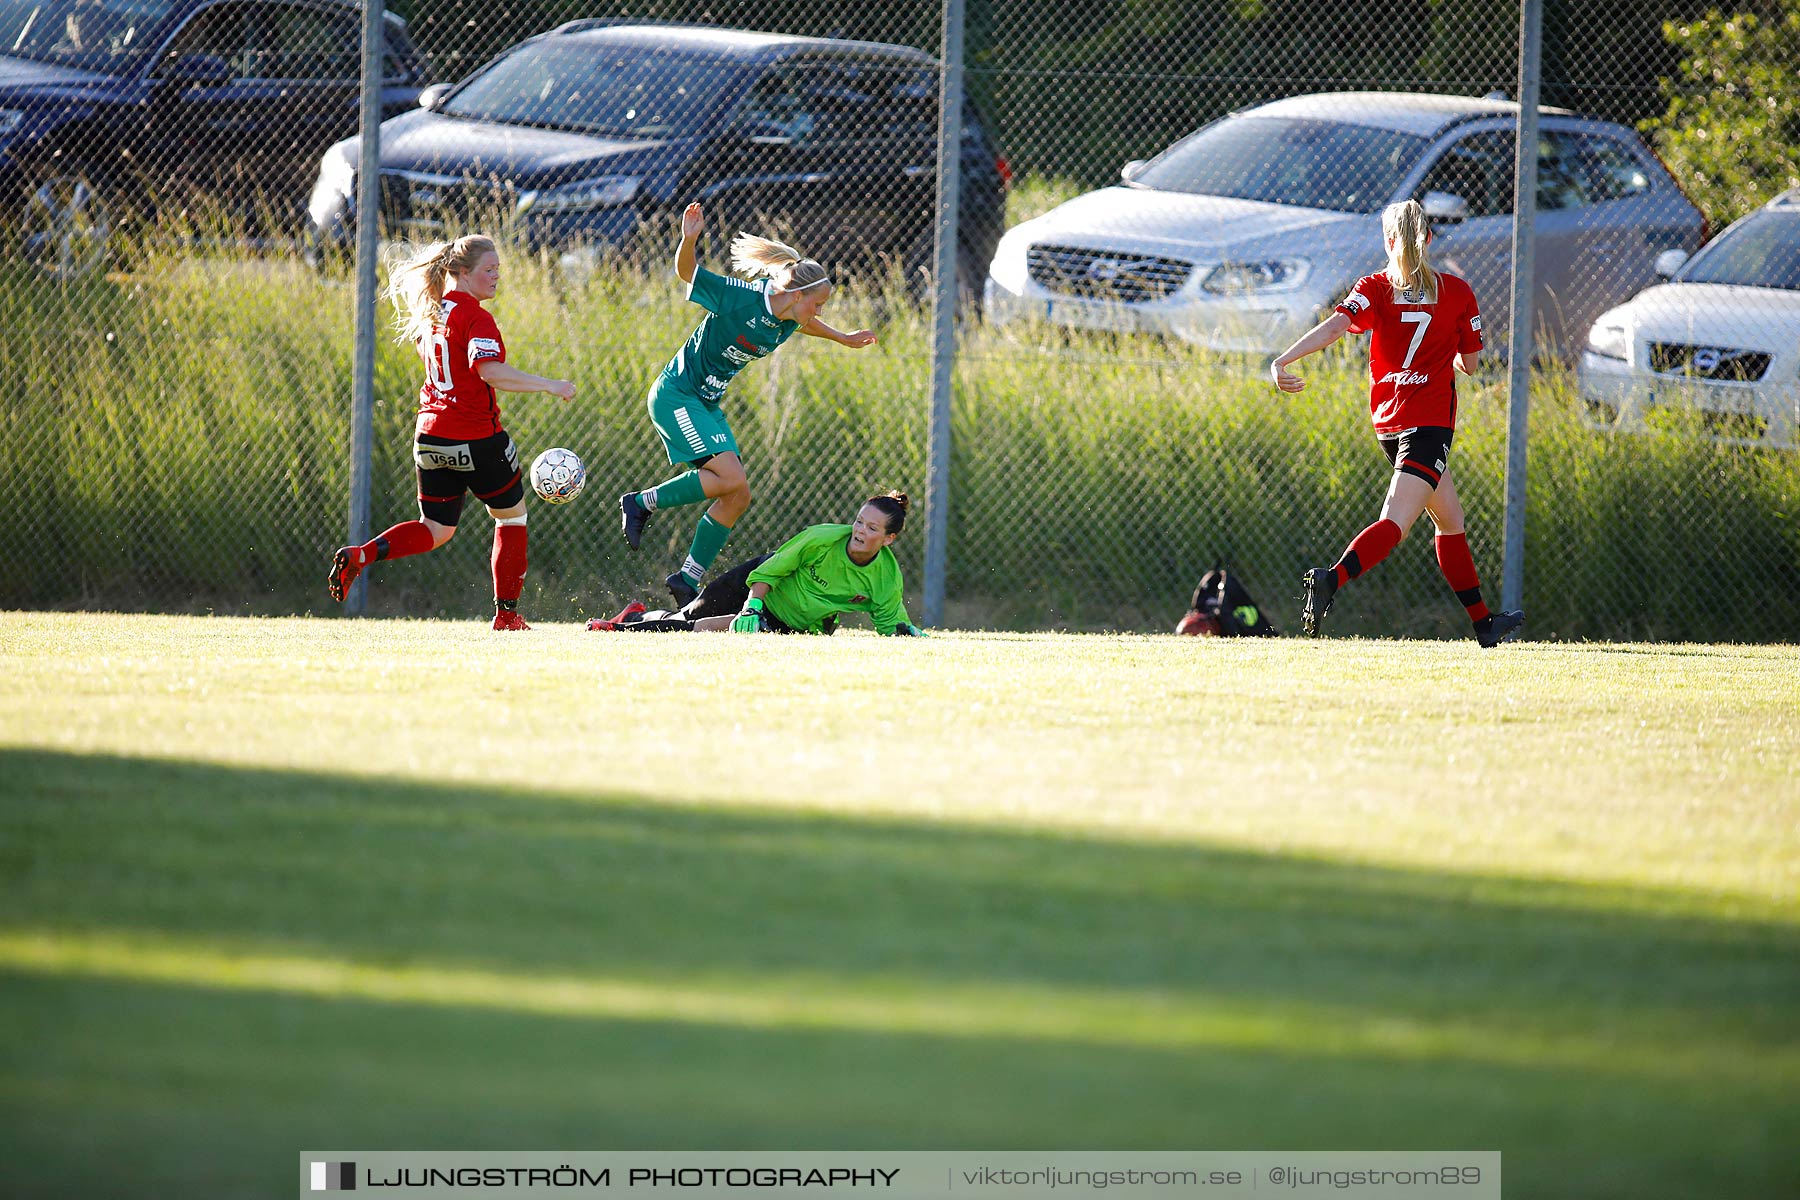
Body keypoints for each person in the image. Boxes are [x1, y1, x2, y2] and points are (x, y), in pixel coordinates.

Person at [1270, 199, 1524, 647]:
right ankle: (1330, 579)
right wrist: (1445, 352)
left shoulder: (1374, 287)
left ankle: (1485, 624)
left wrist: (1284, 359)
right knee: (1396, 523)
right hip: (1428, 426)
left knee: (1450, 519)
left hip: (1390, 424)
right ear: (1427, 239)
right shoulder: (1457, 292)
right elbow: (1471, 364)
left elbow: (1333, 327)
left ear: (1389, 242)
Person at [617, 202, 877, 608]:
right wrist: (689, 239)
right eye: (818, 302)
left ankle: (687, 579)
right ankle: (639, 502)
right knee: (728, 476)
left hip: (705, 403)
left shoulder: (791, 315)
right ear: (795, 294)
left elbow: (806, 321)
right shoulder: (740, 298)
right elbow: (687, 274)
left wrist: (843, 338)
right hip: (676, 396)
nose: (820, 311)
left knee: (737, 494)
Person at [327, 235, 575, 629]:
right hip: (475, 437)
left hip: (430, 437)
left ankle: (362, 555)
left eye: (498, 269)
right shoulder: (475, 317)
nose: (496, 277)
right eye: (487, 270)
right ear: (460, 272)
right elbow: (489, 371)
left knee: (436, 528)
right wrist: (549, 384)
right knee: (511, 519)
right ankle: (506, 616)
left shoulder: (431, 311)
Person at [591, 492, 926, 636]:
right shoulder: (822, 539)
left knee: (697, 631)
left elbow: (890, 621)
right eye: (858, 521)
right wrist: (751, 607)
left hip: (784, 621)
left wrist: (907, 632)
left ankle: (617, 629)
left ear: (888, 539)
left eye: (871, 528)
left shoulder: (886, 576)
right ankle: (633, 616)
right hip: (756, 585)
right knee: (689, 615)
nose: (859, 531)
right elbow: (771, 570)